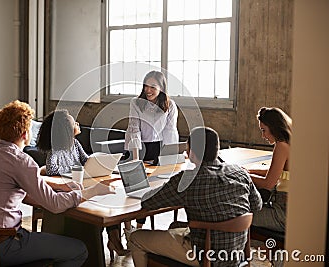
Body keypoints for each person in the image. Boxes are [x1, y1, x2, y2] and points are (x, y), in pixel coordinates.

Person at [0, 100, 115, 266]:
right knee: (79, 249)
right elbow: (55, 205)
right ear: (25, 134)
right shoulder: (21, 161)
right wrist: (93, 191)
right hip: (2, 246)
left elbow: (16, 190)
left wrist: (59, 186)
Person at [128, 126, 262, 267]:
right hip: (236, 251)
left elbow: (148, 202)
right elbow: (257, 205)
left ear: (191, 152)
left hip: (204, 254)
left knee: (136, 238)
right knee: (174, 226)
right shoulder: (240, 173)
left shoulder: (187, 180)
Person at [36, 109, 129, 260]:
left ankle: (114, 239)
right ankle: (109, 244)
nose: (78, 123)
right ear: (66, 129)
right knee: (100, 203)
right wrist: (72, 172)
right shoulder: (56, 149)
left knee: (108, 200)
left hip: (81, 184)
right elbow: (52, 169)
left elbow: (86, 161)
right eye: (74, 122)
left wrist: (101, 162)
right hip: (68, 189)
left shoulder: (76, 144)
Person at [123, 70, 179, 233]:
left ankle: (138, 230)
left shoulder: (170, 105)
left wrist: (170, 157)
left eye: (153, 86)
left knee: (148, 193)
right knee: (132, 191)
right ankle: (127, 229)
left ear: (162, 87)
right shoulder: (136, 102)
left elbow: (170, 132)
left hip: (157, 148)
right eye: (146, 86)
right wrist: (135, 160)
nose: (148, 90)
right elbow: (134, 129)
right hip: (136, 148)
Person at [246, 107, 291, 232]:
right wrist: (250, 171)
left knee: (238, 214)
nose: (263, 135)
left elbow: (268, 183)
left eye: (264, 130)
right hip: (290, 210)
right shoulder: (291, 143)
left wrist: (244, 176)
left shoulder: (281, 145)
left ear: (274, 127)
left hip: (282, 214)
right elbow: (277, 173)